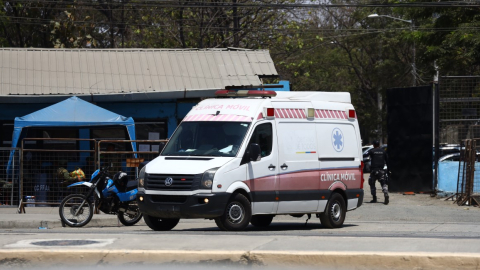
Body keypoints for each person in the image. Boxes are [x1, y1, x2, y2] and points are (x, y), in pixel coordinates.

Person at [368, 140, 389, 205]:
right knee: (383, 183)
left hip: (373, 170)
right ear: (379, 145)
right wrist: (388, 170)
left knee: (372, 183)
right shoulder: (383, 151)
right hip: (381, 170)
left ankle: (374, 198)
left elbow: (368, 158)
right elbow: (387, 160)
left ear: (374, 145)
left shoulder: (371, 151)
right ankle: (385, 193)